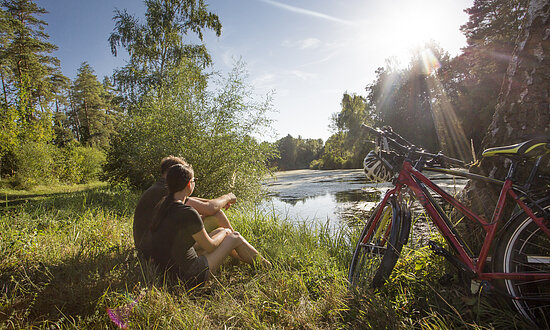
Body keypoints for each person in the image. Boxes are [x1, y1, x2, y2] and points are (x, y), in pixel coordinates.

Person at [150, 163, 270, 288]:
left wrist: (221, 231)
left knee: (221, 232)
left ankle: (244, 259)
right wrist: (225, 232)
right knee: (235, 237)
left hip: (166, 275)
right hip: (190, 277)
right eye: (194, 180)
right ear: (189, 184)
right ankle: (268, 267)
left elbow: (181, 242)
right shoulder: (188, 212)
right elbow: (211, 247)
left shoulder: (162, 207)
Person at [133, 156, 236, 259]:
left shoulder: (160, 188)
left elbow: (202, 202)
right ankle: (236, 247)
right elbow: (209, 208)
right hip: (154, 251)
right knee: (217, 215)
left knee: (205, 217)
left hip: (147, 247)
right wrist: (227, 197)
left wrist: (221, 202)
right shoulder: (166, 191)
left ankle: (234, 245)